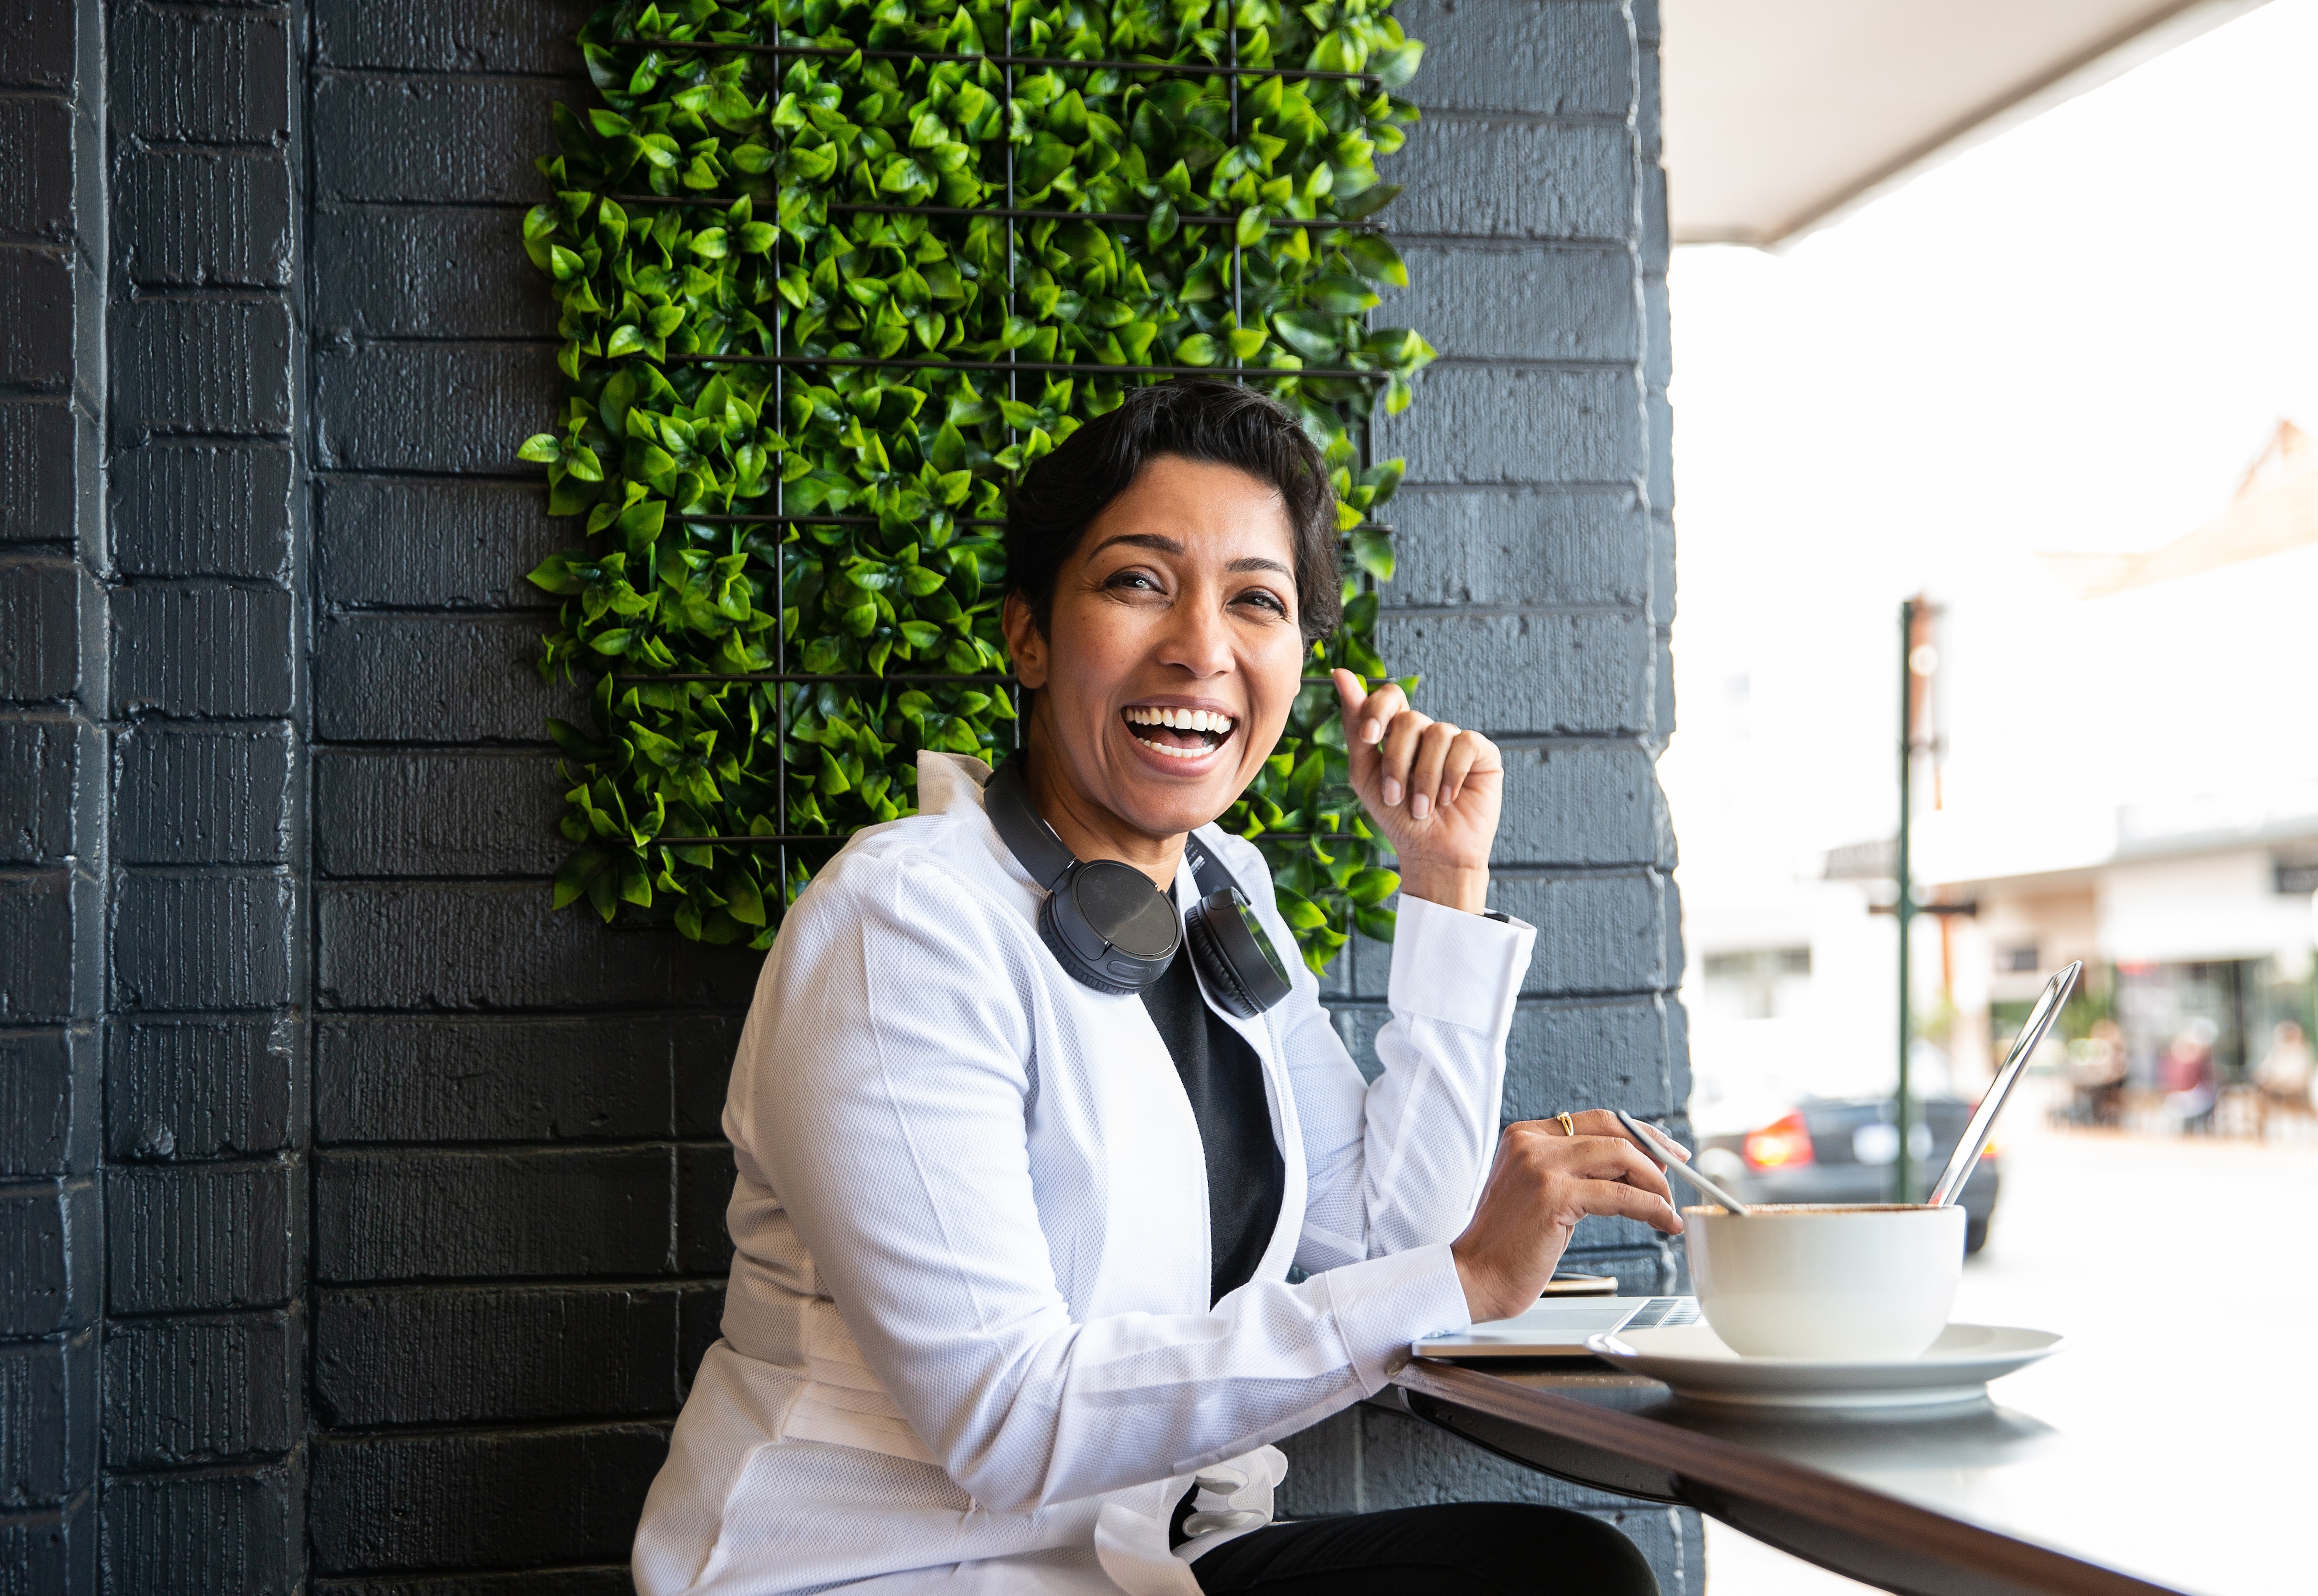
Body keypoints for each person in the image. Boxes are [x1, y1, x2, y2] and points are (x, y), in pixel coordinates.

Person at [633, 380, 1684, 1596]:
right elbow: (1006, 1420)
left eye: (1256, 599)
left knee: (1561, 1573)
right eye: (1138, 581)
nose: (1201, 646)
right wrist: (1457, 1276)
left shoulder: (1219, 887)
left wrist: (1442, 882)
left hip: (1146, 1559)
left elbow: (1394, 1245)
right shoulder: (904, 921)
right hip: (890, 1573)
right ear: (1029, 635)